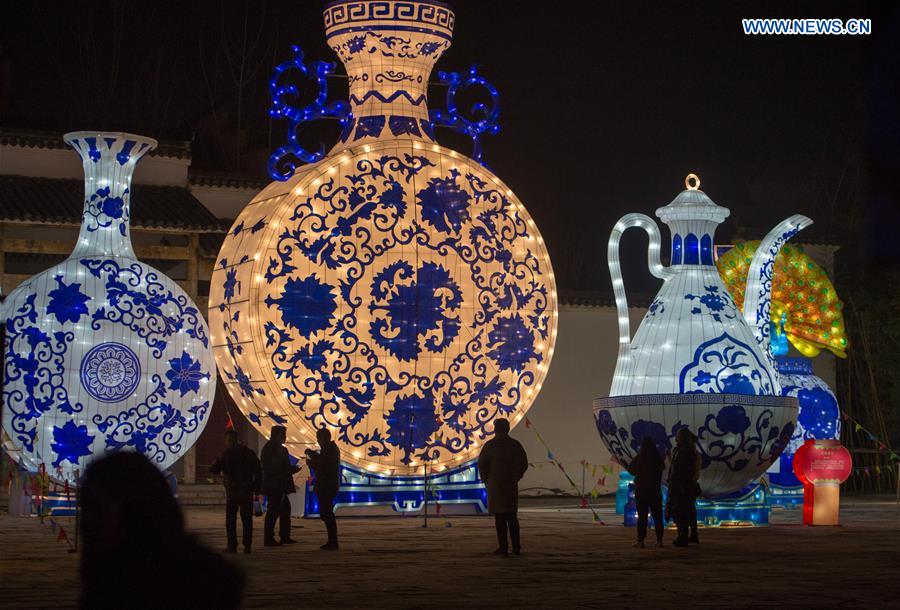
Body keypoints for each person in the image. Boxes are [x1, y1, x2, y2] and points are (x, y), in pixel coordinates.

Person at [79, 452, 244, 609]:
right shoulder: (103, 575)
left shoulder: (121, 585)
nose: (86, 522)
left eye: (98, 509)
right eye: (86, 508)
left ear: (132, 510)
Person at [477, 418, 528, 556]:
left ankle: (503, 547)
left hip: (495, 486)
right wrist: (516, 476)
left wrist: (487, 480)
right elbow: (524, 463)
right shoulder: (515, 445)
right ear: (508, 428)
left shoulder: (490, 445)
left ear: (495, 430)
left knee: (500, 518)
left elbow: (482, 464)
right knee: (512, 517)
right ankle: (516, 547)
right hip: (510, 484)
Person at [210, 429, 262, 554]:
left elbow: (214, 470)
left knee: (231, 520)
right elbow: (258, 472)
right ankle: (247, 545)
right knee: (247, 519)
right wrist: (256, 488)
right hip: (246, 489)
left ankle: (232, 545)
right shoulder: (249, 453)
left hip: (233, 492)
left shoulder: (226, 454)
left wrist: (217, 461)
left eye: (229, 440)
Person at [261, 425, 301, 547]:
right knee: (273, 511)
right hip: (276, 484)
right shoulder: (273, 449)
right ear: (277, 435)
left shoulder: (275, 448)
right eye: (283, 435)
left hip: (279, 484)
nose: (285, 437)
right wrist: (291, 470)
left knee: (284, 509)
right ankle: (269, 538)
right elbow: (277, 468)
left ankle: (284, 536)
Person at [305, 427, 342, 550]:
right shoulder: (331, 448)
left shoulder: (329, 450)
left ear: (323, 438)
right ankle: (332, 541)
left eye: (318, 438)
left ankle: (333, 541)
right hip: (329, 485)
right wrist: (313, 454)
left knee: (326, 513)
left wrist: (310, 463)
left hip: (326, 485)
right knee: (326, 513)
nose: (317, 441)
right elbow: (323, 461)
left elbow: (322, 465)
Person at [627, 436, 665, 548]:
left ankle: (641, 540)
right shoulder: (658, 458)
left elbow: (631, 470)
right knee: (657, 516)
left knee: (642, 517)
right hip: (655, 490)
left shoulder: (639, 458)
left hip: (641, 491)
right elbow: (662, 468)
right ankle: (659, 540)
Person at [667, 428, 701, 547]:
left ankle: (683, 536)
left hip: (681, 486)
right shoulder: (692, 451)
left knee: (680, 511)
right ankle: (692, 534)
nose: (675, 438)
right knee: (689, 510)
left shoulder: (684, 452)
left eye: (678, 435)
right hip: (688, 485)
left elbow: (679, 469)